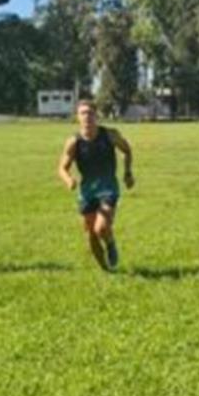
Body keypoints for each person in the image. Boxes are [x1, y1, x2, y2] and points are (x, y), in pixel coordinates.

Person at [57, 99, 134, 271]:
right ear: (77, 117)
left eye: (90, 113)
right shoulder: (74, 142)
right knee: (91, 234)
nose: (87, 116)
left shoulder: (110, 135)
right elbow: (62, 167)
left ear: (96, 115)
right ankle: (106, 271)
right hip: (87, 192)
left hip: (108, 188)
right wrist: (68, 180)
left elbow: (127, 150)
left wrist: (128, 173)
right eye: (83, 113)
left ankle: (110, 243)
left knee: (101, 228)